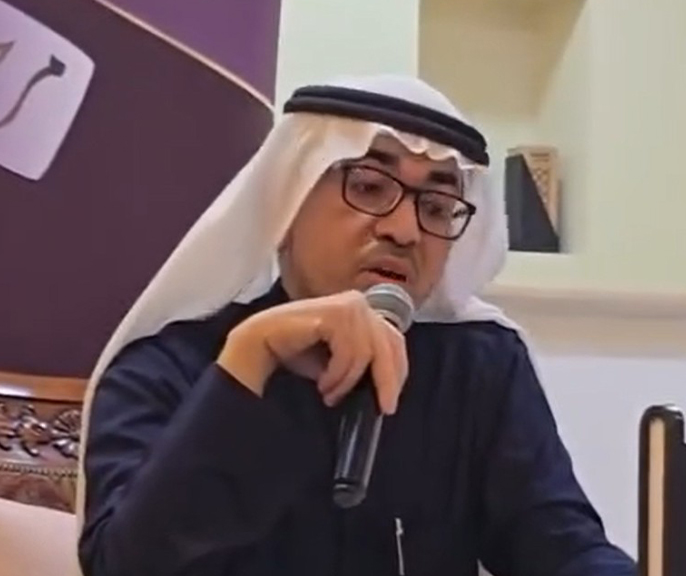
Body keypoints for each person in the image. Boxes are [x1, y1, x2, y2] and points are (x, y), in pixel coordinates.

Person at [75, 74, 637, 576]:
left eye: (436, 207)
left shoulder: (479, 366)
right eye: (369, 186)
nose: (405, 230)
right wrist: (250, 364)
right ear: (288, 203)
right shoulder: (164, 369)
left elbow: (560, 547)